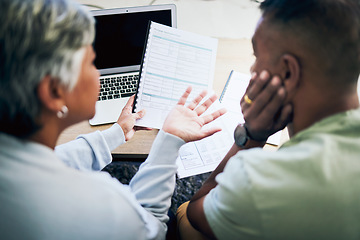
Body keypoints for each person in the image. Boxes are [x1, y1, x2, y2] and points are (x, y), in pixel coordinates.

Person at [0, 0, 226, 239]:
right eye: (90, 62)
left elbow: (57, 159)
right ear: (54, 91)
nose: (98, 74)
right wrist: (170, 140)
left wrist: (117, 132)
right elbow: (151, 227)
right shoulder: (102, 201)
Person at [178, 0, 360, 239]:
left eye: (256, 55)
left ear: (287, 72)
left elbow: (196, 212)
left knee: (183, 216)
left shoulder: (261, 183)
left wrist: (252, 136)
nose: (253, 68)